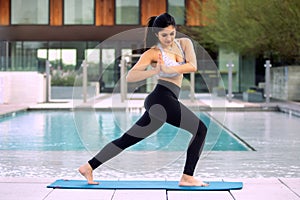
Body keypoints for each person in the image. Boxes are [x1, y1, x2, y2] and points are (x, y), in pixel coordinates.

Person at [79, 13, 208, 187]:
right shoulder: (153, 53)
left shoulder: (184, 44)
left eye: (172, 33)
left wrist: (169, 68)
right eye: (164, 35)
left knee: (127, 139)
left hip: (165, 100)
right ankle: (187, 177)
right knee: (200, 129)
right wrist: (154, 71)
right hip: (160, 99)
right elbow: (130, 77)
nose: (169, 38)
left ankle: (89, 166)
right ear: (156, 34)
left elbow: (193, 66)